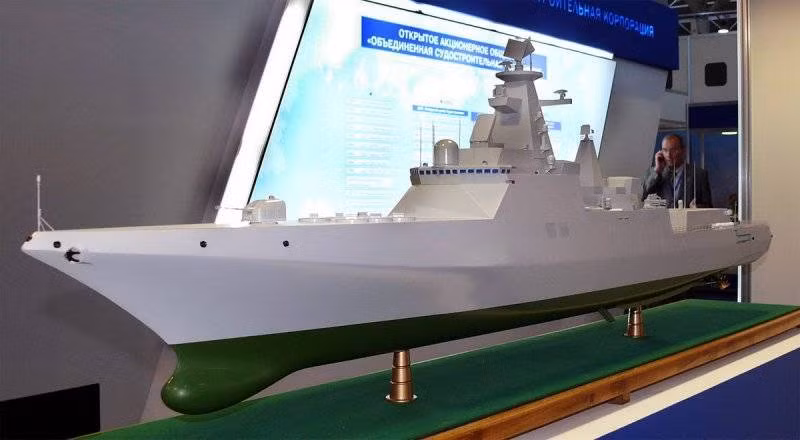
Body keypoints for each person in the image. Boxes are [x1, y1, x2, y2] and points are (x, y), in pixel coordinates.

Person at [642, 134, 712, 208]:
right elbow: (643, 196)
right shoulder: (654, 173)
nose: (668, 155)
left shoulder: (699, 174)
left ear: (683, 151)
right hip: (663, 215)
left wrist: (697, 208)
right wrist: (657, 170)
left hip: (687, 215)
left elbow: (708, 206)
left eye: (673, 150)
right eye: (665, 150)